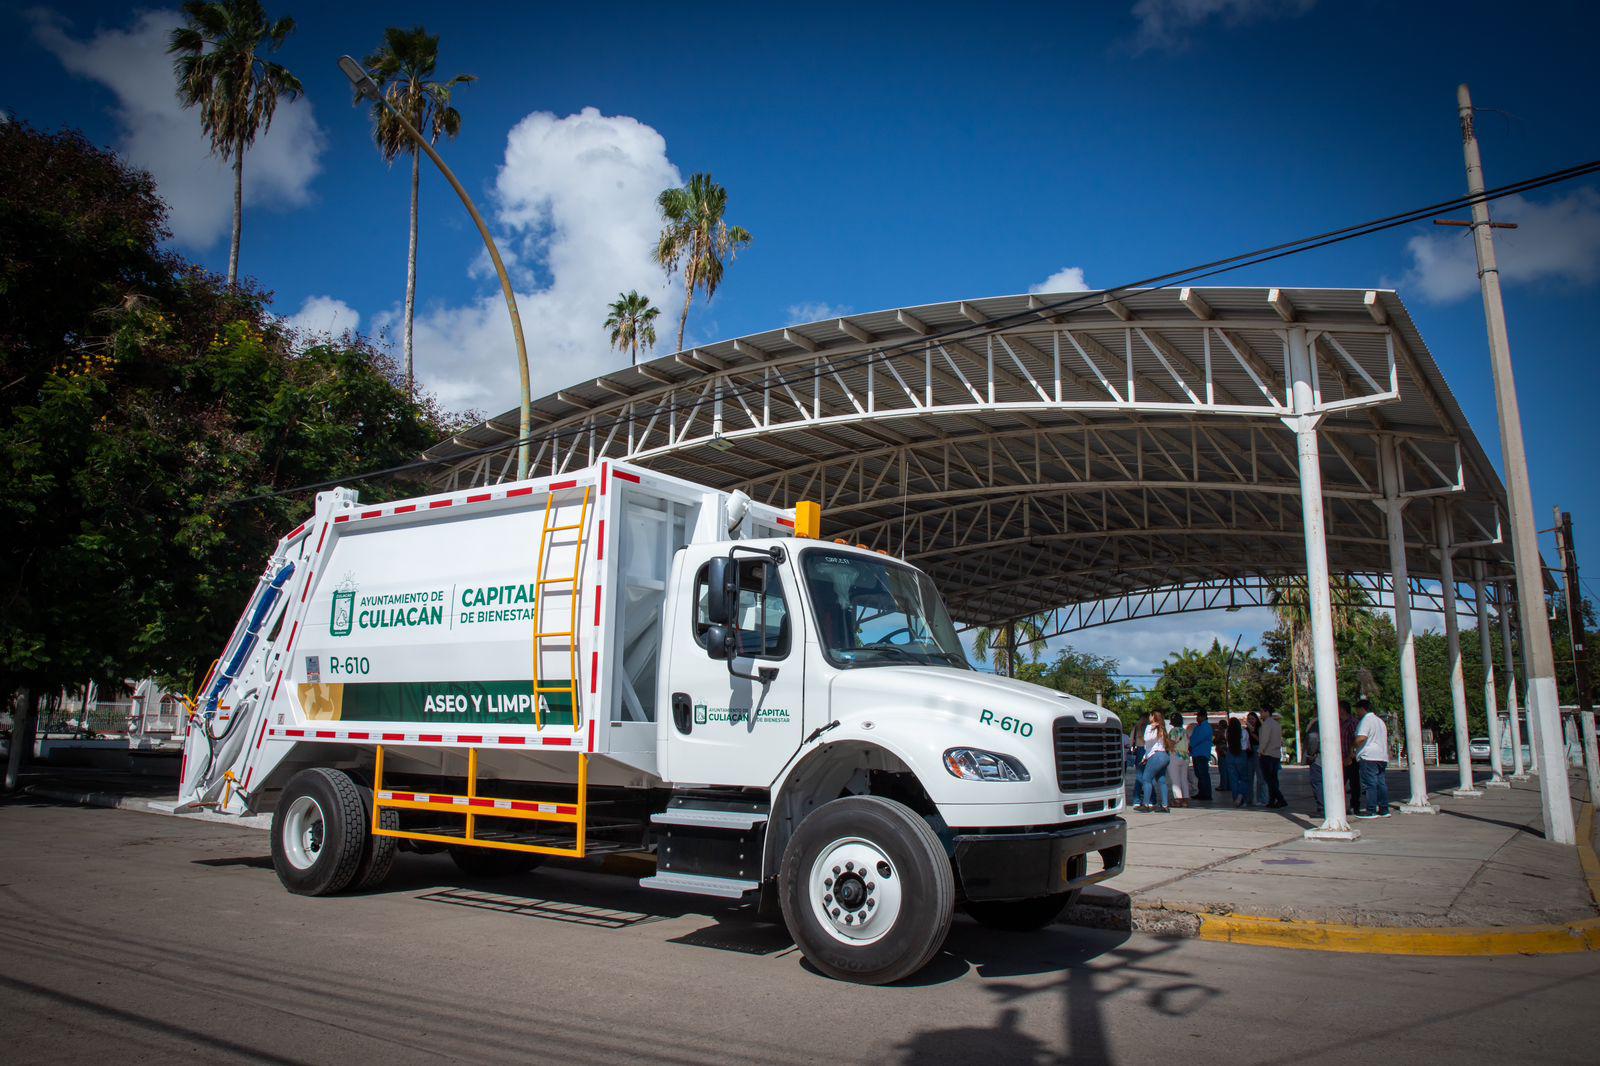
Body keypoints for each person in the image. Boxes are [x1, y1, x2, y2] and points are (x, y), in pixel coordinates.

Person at [1353, 698, 1392, 818]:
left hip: (1369, 756)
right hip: (1381, 756)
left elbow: (1362, 737)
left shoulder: (1366, 720)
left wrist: (1352, 748)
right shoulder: (1380, 721)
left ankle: (1371, 810)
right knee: (1381, 783)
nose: (1357, 713)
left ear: (1362, 709)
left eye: (1357, 710)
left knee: (1370, 784)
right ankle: (1384, 809)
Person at [1135, 712, 1171, 813]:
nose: (1149, 717)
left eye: (1150, 715)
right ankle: (1165, 805)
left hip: (1156, 756)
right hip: (1164, 756)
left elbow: (1146, 739)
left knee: (1146, 779)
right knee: (1162, 780)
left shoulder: (1150, 727)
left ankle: (1146, 805)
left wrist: (1150, 727)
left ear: (1153, 717)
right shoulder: (1162, 728)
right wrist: (1145, 757)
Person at [1257, 708, 1287, 808]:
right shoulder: (1276, 724)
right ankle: (1272, 800)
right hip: (1276, 754)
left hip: (1267, 754)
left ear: (1267, 712)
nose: (1260, 714)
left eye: (1261, 711)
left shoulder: (1266, 724)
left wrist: (1260, 751)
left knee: (1269, 780)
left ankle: (1280, 799)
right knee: (1273, 779)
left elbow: (1265, 740)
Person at [1227, 716, 1256, 808]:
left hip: (1230, 754)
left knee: (1233, 779)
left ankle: (1235, 798)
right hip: (1241, 754)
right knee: (1244, 778)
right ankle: (1241, 795)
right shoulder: (1244, 732)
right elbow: (1247, 746)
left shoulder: (1227, 732)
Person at [1338, 699, 1360, 815]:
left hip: (1350, 758)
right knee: (1339, 783)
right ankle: (1340, 806)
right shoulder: (1338, 723)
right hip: (1339, 758)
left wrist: (1350, 757)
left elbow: (1356, 741)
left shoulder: (1353, 723)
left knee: (1354, 784)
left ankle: (1354, 806)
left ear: (1343, 710)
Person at [1190, 710, 1214, 802]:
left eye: (1199, 716)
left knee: (1203, 774)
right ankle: (1202, 792)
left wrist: (1191, 745)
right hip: (1196, 753)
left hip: (1202, 753)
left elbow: (1197, 739)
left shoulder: (1206, 727)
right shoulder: (1198, 727)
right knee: (1199, 774)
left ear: (1203, 717)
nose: (1197, 718)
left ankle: (1206, 794)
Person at [1166, 714, 1190, 808]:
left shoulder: (1173, 731)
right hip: (1185, 756)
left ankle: (1178, 800)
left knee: (1175, 780)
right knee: (1184, 779)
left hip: (1174, 755)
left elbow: (1171, 743)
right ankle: (1186, 800)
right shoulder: (1185, 731)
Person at [1306, 718, 1324, 815]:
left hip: (1319, 759)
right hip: (1334, 758)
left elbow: (1313, 737)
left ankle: (1321, 807)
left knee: (1318, 783)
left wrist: (1311, 754)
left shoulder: (1317, 723)